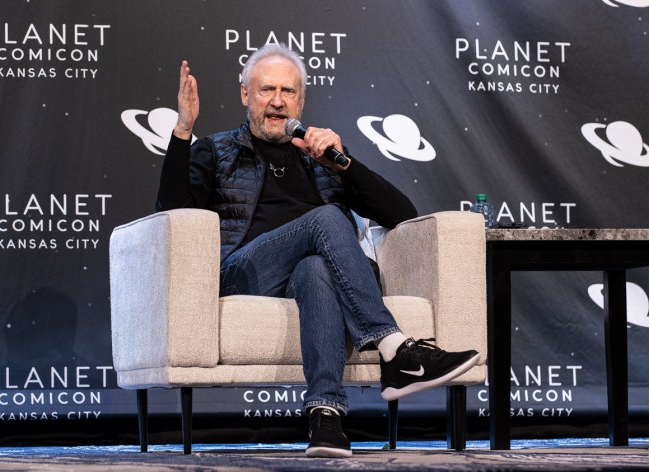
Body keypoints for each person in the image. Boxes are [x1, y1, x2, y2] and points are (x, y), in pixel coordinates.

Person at [156, 43, 479, 458]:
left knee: (315, 269)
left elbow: (402, 213)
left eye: (288, 92)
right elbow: (173, 213)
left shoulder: (320, 155)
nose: (277, 101)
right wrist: (183, 130)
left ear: (301, 99)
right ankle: (395, 348)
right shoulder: (216, 151)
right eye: (266, 90)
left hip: (313, 275)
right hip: (246, 273)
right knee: (328, 218)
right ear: (244, 94)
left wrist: (344, 164)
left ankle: (326, 418)